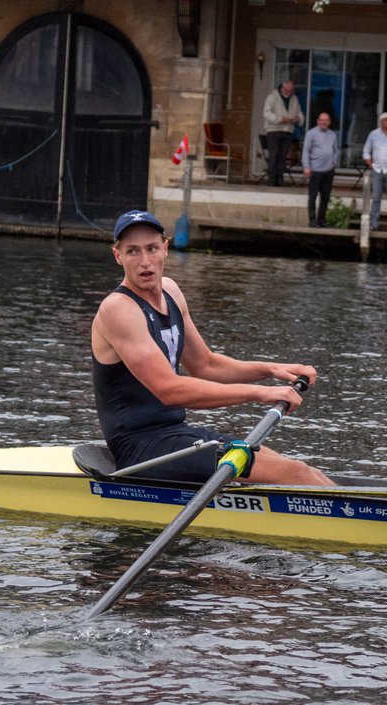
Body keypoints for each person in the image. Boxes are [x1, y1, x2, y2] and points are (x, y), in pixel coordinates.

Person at [92, 210, 333, 486]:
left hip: (177, 435)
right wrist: (260, 393)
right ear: (117, 256)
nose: (145, 261)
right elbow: (169, 390)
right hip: (141, 449)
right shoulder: (118, 309)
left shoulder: (171, 291)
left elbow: (205, 365)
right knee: (296, 475)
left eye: (152, 249)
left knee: (300, 470)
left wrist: (271, 370)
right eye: (133, 251)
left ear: (165, 248)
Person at [262, 80, 303, 188]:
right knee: (274, 155)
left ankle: (280, 179)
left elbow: (299, 112)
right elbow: (266, 113)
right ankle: (271, 179)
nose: (289, 93)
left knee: (283, 156)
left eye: (291, 91)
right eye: (287, 90)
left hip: (288, 130)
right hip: (274, 130)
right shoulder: (272, 97)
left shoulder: (294, 98)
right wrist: (280, 119)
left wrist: (298, 118)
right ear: (282, 88)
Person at [301, 111, 339, 228]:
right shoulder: (311, 133)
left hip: (328, 171)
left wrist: (334, 163)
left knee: (325, 197)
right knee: (313, 196)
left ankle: (322, 220)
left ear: (329, 122)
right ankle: (312, 220)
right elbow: (306, 150)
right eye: (322, 120)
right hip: (315, 171)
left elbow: (335, 150)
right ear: (318, 121)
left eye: (326, 120)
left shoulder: (332, 134)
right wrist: (306, 166)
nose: (324, 122)